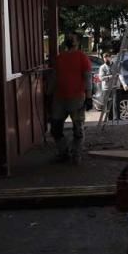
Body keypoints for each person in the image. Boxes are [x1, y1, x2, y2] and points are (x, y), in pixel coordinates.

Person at [51, 31, 94, 164]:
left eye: (72, 38)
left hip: (77, 98)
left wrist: (88, 96)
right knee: (55, 128)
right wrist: (48, 94)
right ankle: (63, 152)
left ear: (78, 42)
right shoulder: (60, 58)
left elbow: (87, 78)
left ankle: (76, 154)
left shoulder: (82, 57)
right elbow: (54, 78)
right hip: (59, 98)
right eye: (69, 37)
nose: (70, 39)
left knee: (78, 129)